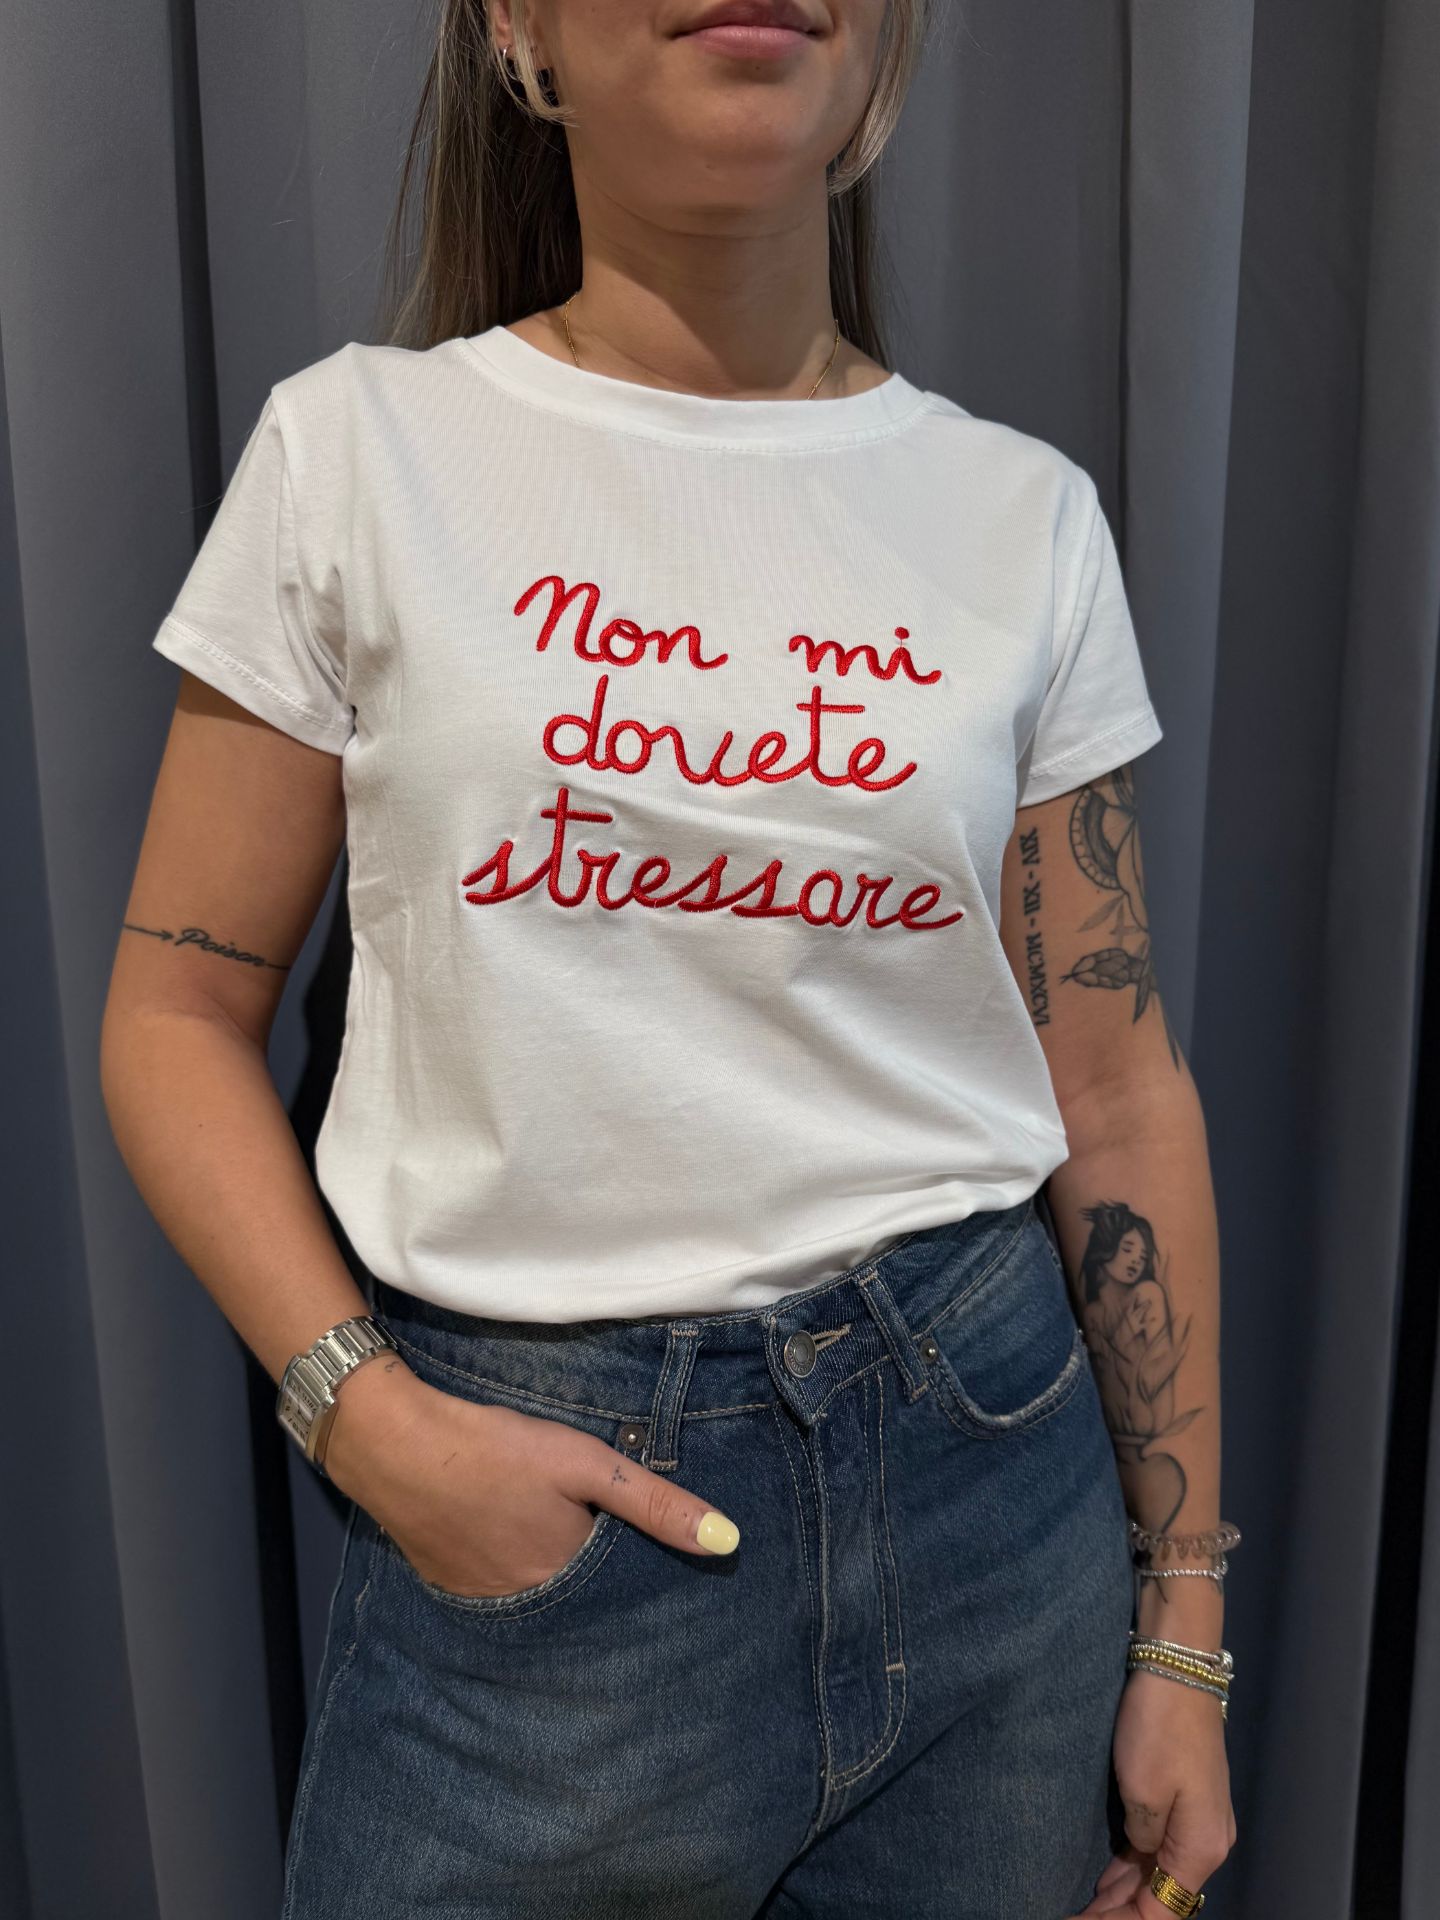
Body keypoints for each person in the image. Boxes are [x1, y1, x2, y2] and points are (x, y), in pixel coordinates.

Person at [100, 1, 1239, 1914]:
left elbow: (1118, 1091)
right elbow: (175, 1010)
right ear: (518, 26)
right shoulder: (356, 456)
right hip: (538, 1560)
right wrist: (366, 1423)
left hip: (994, 1504)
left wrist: (1184, 1635)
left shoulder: (1023, 517)